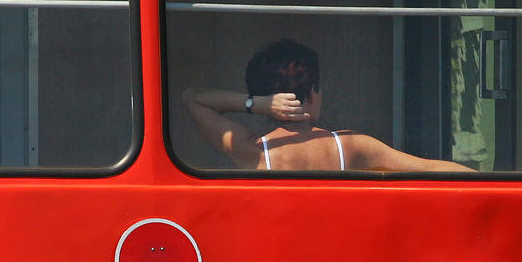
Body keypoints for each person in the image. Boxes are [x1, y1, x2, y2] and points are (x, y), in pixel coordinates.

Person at [183, 38, 475, 172]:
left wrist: (256, 104)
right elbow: (431, 168)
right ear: (312, 92)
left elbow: (194, 99)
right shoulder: (350, 146)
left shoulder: (253, 152)